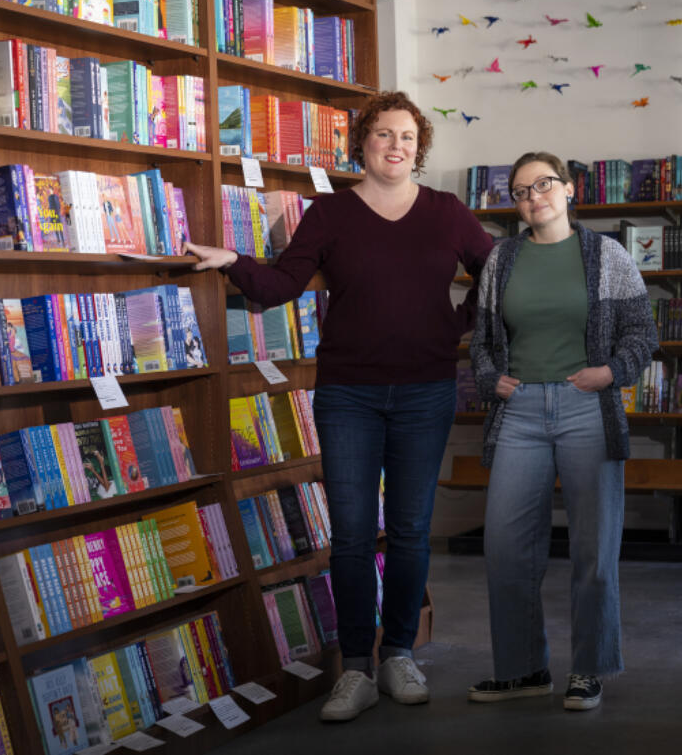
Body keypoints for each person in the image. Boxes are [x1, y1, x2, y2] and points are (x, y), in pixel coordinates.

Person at [184, 91, 493, 722]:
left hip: (425, 391)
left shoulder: (447, 212)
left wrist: (455, 327)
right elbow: (281, 285)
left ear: (420, 147)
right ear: (363, 144)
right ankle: (355, 668)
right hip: (348, 393)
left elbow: (497, 276)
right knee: (351, 534)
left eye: (407, 137)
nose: (396, 146)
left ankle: (399, 653)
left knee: (409, 531)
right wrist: (232, 261)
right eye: (383, 135)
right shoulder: (329, 214)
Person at [467, 151, 657, 711]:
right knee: (504, 548)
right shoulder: (500, 261)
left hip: (585, 407)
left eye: (544, 184)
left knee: (593, 550)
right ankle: (525, 669)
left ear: (569, 189)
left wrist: (611, 373)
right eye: (521, 191)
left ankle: (589, 669)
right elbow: (480, 341)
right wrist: (489, 378)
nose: (534, 197)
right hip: (519, 412)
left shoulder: (609, 256)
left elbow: (642, 333)